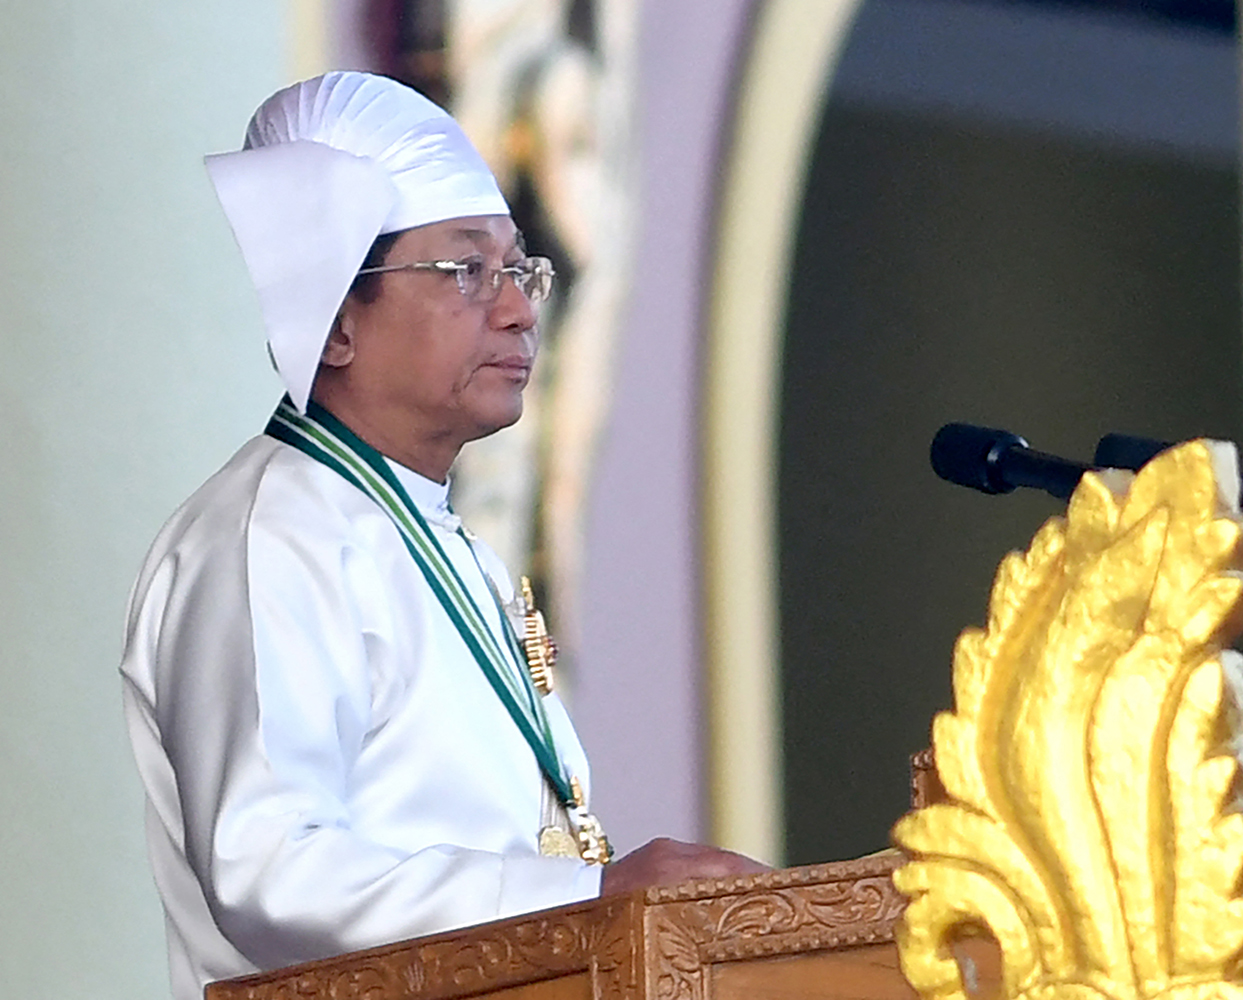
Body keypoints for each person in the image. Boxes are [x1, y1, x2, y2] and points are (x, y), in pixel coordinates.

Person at [119, 71, 761, 1000]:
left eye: (518, 269)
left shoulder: (451, 542)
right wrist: (587, 897)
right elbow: (267, 868)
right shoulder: (272, 533)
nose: (519, 307)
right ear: (337, 322)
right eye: (466, 271)